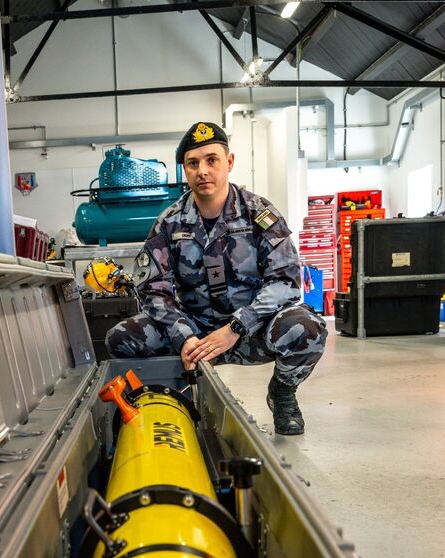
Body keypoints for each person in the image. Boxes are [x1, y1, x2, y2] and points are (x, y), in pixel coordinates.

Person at [105, 121, 328, 435]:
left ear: (230, 162)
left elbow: (286, 281)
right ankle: (175, 393)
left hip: (252, 331)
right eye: (192, 163)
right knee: (121, 337)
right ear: (184, 169)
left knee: (306, 330)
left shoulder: (259, 214)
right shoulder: (169, 223)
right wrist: (183, 336)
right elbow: (153, 288)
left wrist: (238, 325)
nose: (202, 171)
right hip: (195, 334)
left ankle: (282, 393)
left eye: (212, 160)